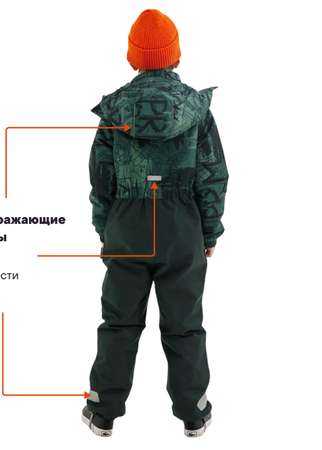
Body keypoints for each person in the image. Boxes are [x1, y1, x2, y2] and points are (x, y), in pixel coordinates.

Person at [81, 9, 229, 438]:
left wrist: (106, 229)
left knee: (119, 321)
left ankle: (103, 411)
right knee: (184, 322)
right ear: (175, 55)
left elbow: (101, 178)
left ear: (133, 57)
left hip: (128, 222)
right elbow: (212, 174)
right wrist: (209, 230)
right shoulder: (195, 111)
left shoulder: (115, 109)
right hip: (181, 223)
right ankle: (193, 412)